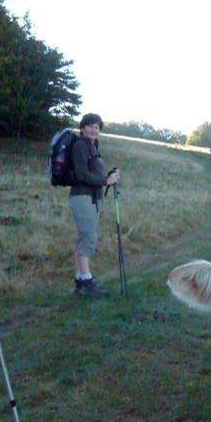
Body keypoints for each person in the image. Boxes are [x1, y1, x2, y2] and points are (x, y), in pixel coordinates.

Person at [69, 113, 121, 297]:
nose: (93, 129)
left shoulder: (92, 146)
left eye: (97, 126)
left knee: (84, 238)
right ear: (82, 128)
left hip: (91, 197)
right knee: (89, 238)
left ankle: (81, 281)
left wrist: (109, 176)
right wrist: (105, 181)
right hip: (82, 197)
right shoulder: (81, 146)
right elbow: (81, 174)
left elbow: (93, 174)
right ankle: (86, 279)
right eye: (90, 125)